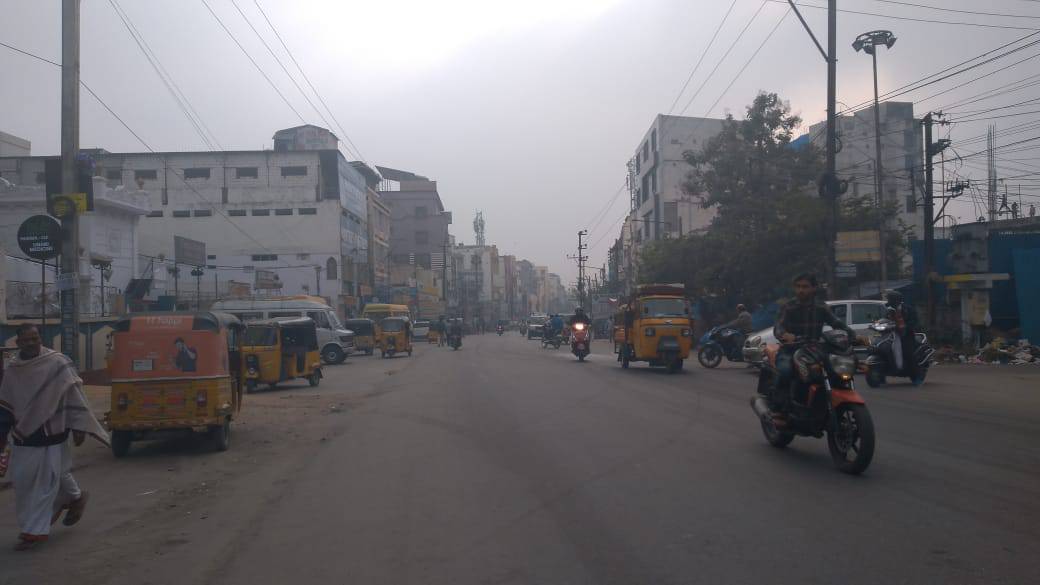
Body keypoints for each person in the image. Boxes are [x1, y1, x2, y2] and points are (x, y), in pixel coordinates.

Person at [0, 324, 109, 551]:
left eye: (35, 338)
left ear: (40, 338)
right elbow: (6, 407)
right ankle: (75, 498)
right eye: (26, 340)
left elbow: (75, 396)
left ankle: (34, 531)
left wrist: (79, 427)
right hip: (23, 436)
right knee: (24, 483)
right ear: (17, 343)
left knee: (46, 482)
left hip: (53, 433)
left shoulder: (57, 363)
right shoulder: (13, 370)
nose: (31, 343)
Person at [772, 274, 855, 402]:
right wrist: (784, 335)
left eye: (805, 287)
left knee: (835, 369)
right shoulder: (788, 307)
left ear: (814, 288)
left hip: (815, 350)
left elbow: (837, 323)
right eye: (798, 287)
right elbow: (778, 326)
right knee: (785, 371)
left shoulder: (821, 307)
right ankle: (780, 403)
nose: (801, 290)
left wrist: (853, 335)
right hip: (790, 350)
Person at [885, 290, 923, 385]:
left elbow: (915, 321)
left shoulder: (908, 309)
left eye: (891, 300)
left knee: (909, 353)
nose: (890, 302)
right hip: (892, 335)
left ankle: (916, 377)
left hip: (906, 335)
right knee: (883, 349)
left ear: (897, 300)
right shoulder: (889, 310)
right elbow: (884, 320)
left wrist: (906, 326)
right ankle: (881, 375)